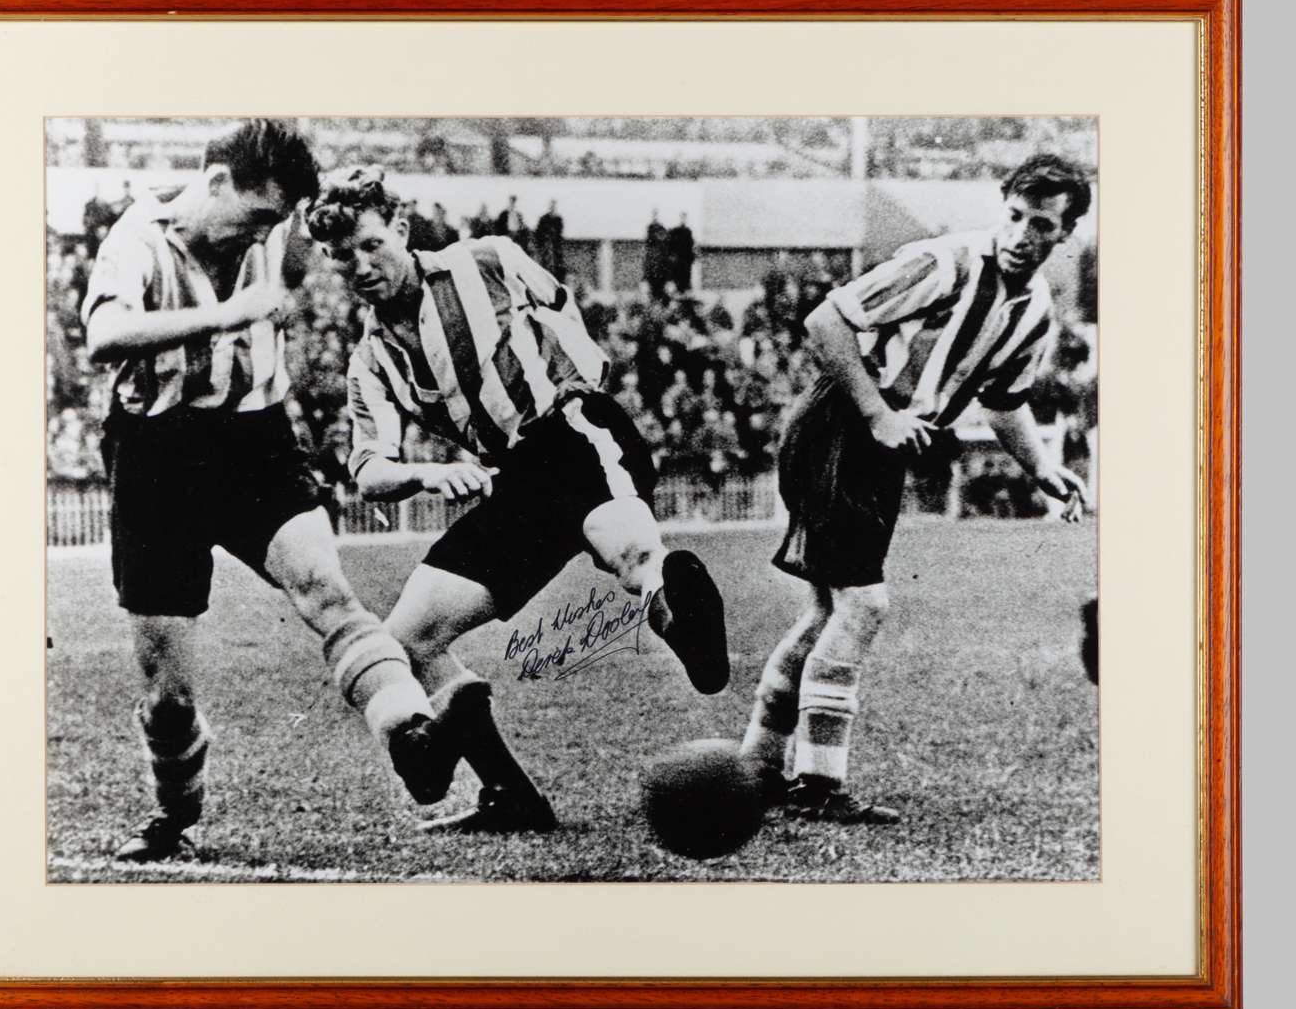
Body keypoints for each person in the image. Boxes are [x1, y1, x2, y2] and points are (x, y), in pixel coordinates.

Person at [80, 120, 494, 863]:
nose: (263, 235)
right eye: (257, 217)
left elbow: (345, 214)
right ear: (214, 184)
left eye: (274, 221)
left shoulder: (269, 226)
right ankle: (174, 815)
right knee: (168, 699)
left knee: (328, 595)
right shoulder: (136, 239)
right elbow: (103, 336)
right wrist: (224, 316)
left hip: (251, 441)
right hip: (156, 457)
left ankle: (413, 735)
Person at [306, 167, 731, 832]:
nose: (360, 267)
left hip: (571, 431)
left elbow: (559, 304)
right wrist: (423, 474)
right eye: (341, 259)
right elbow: (368, 468)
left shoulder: (487, 259)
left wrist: (579, 373)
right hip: (510, 481)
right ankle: (509, 794)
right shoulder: (372, 359)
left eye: (368, 245)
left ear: (398, 226)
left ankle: (675, 611)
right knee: (407, 640)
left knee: (633, 554)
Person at [738, 154, 1093, 823]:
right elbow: (825, 322)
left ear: (1063, 234)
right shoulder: (945, 263)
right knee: (863, 605)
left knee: (826, 612)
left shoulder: (1036, 310)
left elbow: (1002, 400)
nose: (1021, 234)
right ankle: (815, 786)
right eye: (1014, 216)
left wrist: (1040, 469)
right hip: (840, 425)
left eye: (1039, 224)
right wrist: (877, 412)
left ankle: (756, 766)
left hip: (880, 445)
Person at [534, 200, 566, 283]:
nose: (552, 208)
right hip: (545, 244)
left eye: (554, 206)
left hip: (555, 245)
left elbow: (560, 232)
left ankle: (558, 280)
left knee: (558, 263)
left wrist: (554, 238)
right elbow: (538, 232)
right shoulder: (543, 218)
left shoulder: (558, 219)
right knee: (544, 261)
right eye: (551, 206)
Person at [667, 212, 697, 294]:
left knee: (686, 274)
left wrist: (692, 256)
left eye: (685, 218)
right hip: (679, 258)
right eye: (682, 217)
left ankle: (684, 289)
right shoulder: (676, 231)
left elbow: (691, 244)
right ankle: (678, 289)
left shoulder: (688, 231)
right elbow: (671, 243)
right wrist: (672, 254)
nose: (683, 220)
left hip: (686, 258)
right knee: (677, 273)